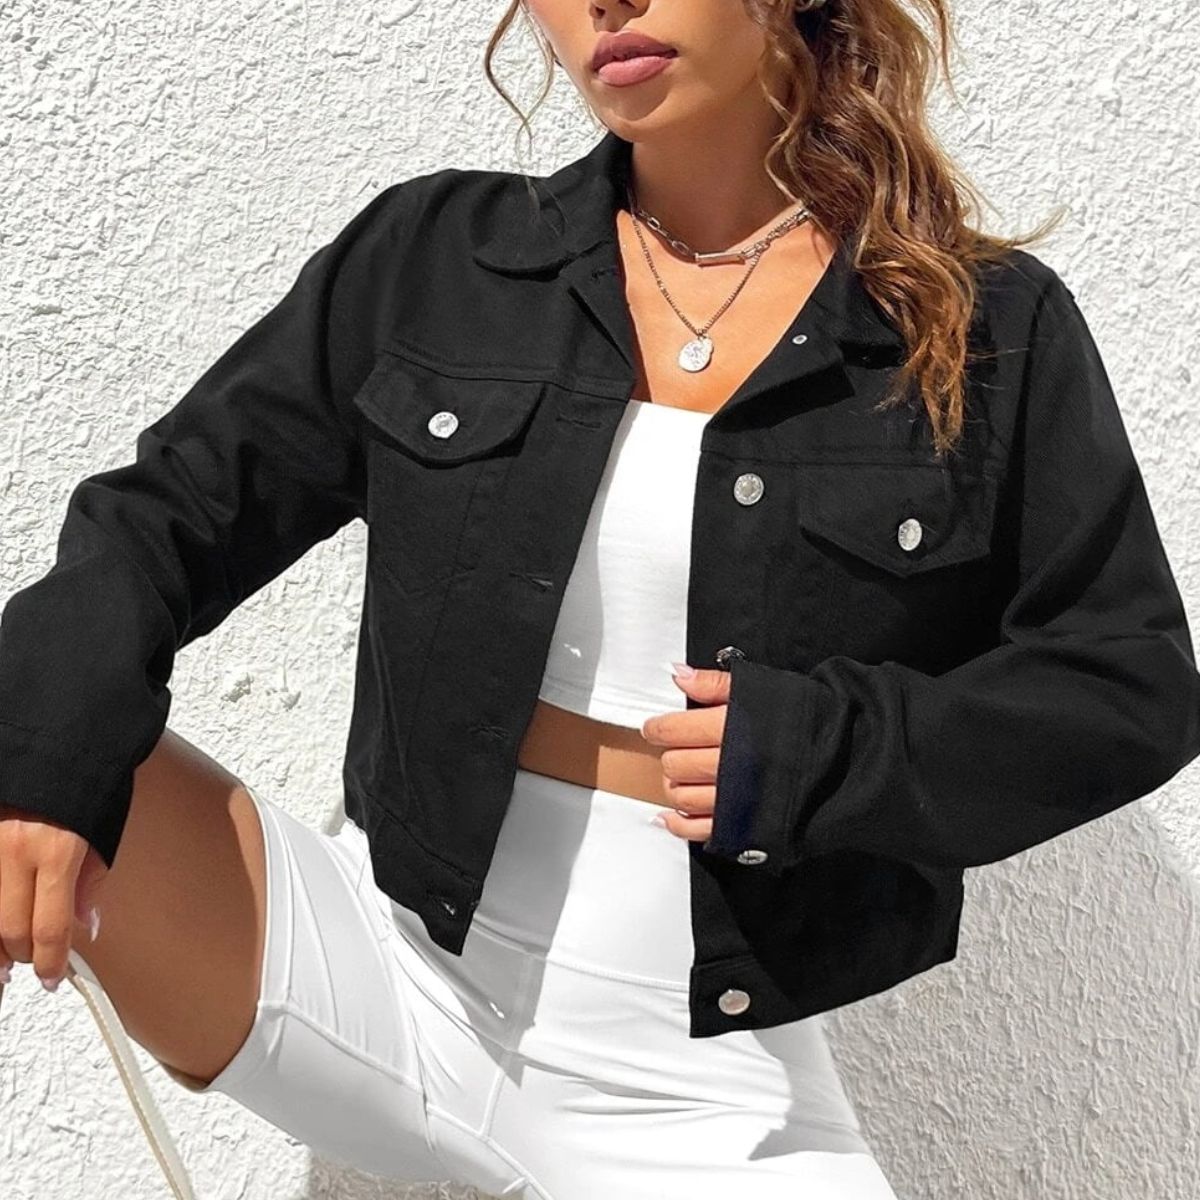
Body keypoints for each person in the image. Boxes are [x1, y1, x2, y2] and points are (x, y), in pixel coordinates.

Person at [2, 1, 1198, 1197]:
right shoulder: (438, 259)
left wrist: (828, 751)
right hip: (380, 967)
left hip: (698, 1083)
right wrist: (46, 761)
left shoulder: (980, 325)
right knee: (44, 717)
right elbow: (165, 518)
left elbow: (1129, 680)